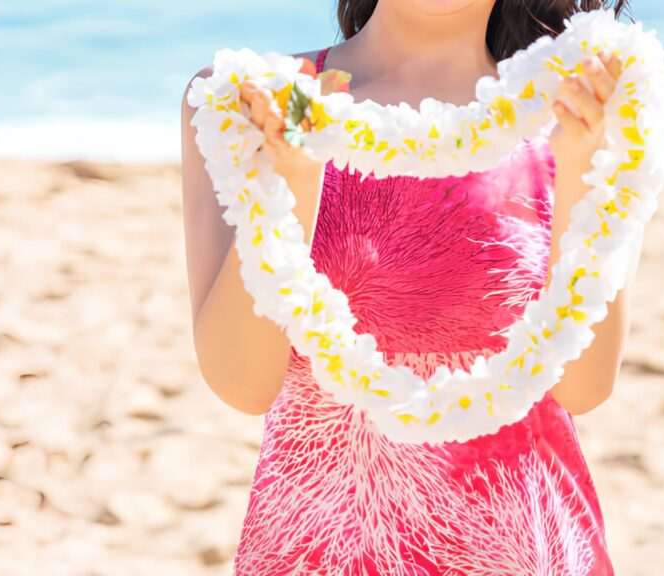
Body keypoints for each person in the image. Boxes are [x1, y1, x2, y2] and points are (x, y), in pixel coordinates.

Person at [181, 0, 638, 573]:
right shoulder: (262, 101)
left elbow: (585, 388)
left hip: (516, 545)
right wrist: (295, 178)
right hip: (314, 550)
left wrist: (580, 161)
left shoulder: (581, 109)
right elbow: (242, 385)